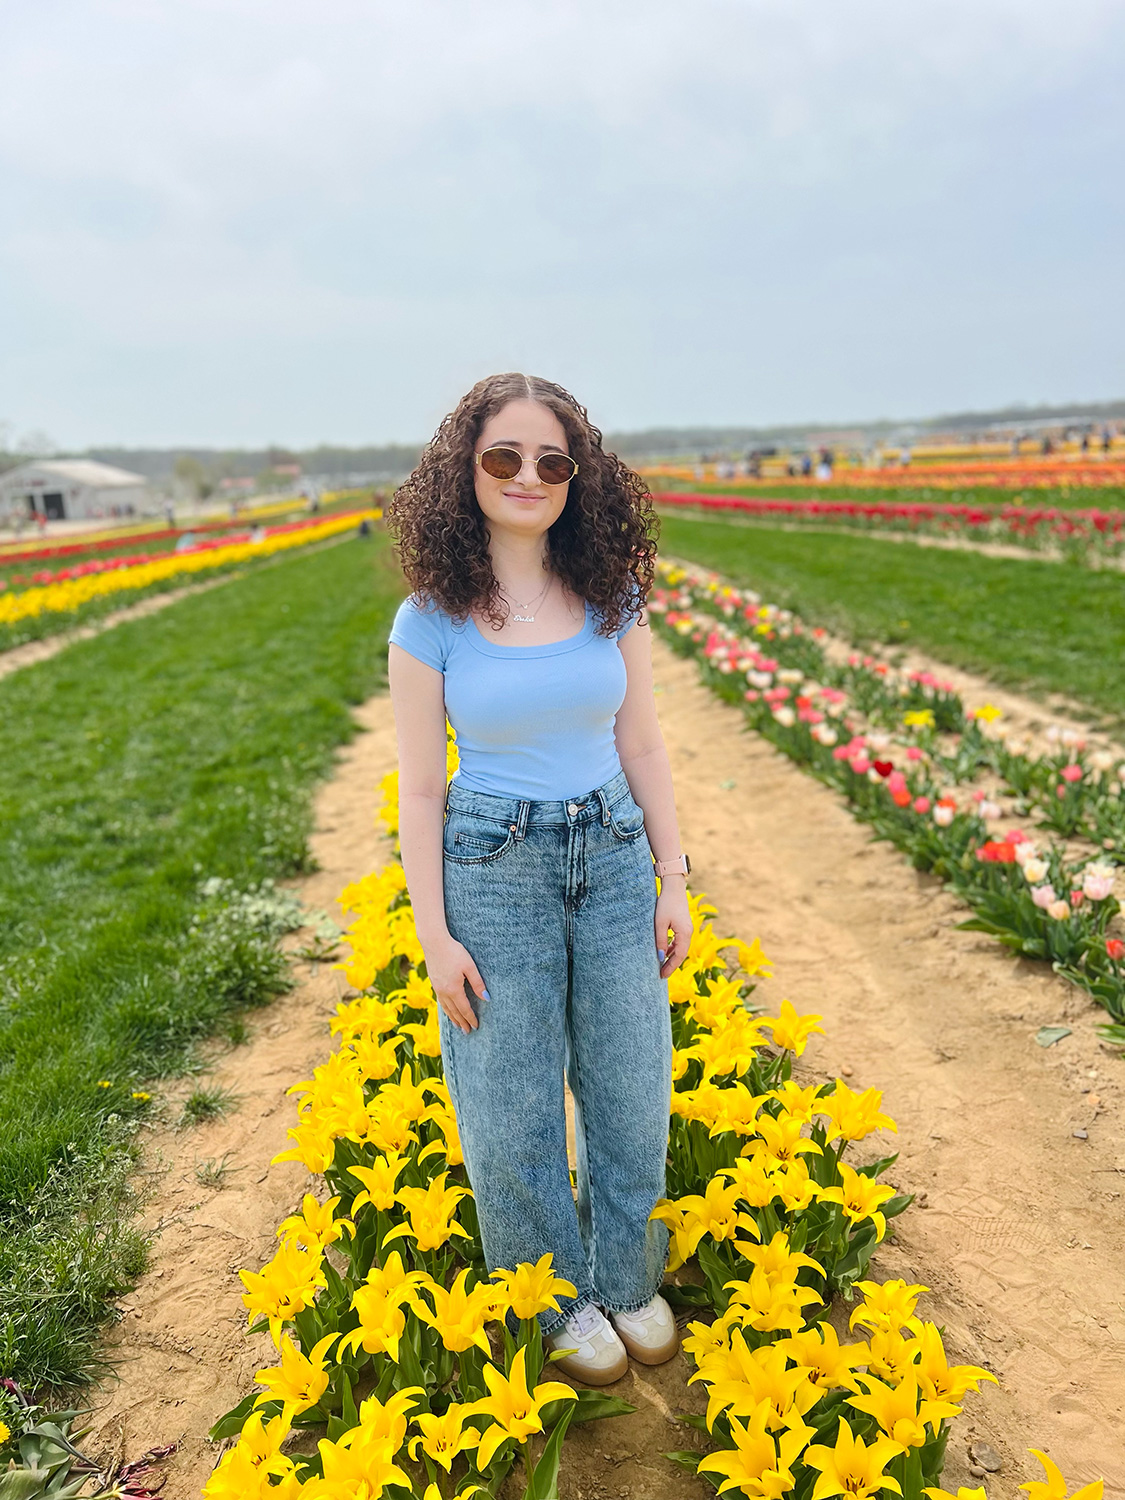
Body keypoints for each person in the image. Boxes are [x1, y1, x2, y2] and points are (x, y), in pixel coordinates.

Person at [386, 372, 693, 1387]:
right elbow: (423, 789)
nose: (528, 476)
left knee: (630, 1074)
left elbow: (643, 743)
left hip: (609, 850)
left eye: (552, 461)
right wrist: (434, 937)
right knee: (508, 1093)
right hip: (492, 863)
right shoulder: (430, 618)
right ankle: (550, 1294)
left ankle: (625, 1273)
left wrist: (672, 874)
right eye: (503, 458)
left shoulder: (613, 594)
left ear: (579, 476)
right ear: (464, 470)